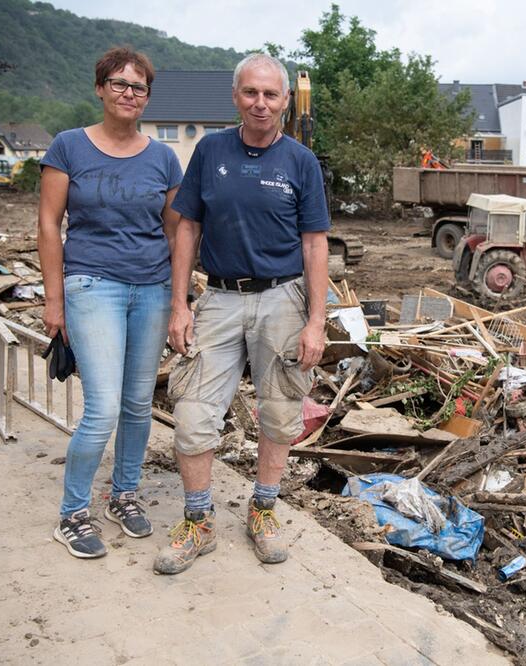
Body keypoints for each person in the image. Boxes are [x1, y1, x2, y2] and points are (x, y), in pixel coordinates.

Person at [154, 53, 329, 575]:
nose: (260, 103)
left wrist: (316, 321)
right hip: (221, 299)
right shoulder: (210, 151)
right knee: (193, 411)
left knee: (279, 411)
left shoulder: (300, 161)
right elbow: (187, 228)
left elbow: (315, 243)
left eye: (271, 95)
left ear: (283, 102)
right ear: (235, 97)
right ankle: (198, 521)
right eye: (251, 93)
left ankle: (264, 509)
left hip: (282, 300)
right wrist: (180, 303)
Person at [38, 47, 183, 559]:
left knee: (139, 404)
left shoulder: (164, 157)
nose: (128, 93)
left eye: (138, 86)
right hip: (90, 285)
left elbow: (174, 232)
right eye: (119, 84)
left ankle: (123, 495)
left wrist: (180, 299)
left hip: (151, 289)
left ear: (147, 97)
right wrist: (54, 302)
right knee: (102, 409)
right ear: (100, 89)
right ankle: (73, 512)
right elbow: (49, 226)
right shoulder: (68, 147)